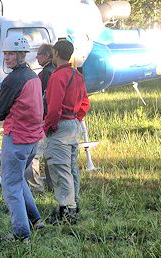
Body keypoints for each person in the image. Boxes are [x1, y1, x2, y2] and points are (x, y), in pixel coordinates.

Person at [0, 34, 45, 242]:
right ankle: (36, 220)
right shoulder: (33, 76)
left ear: (21, 55)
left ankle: (21, 233)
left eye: (10, 54)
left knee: (10, 186)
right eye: (5, 53)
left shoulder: (12, 80)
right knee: (18, 180)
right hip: (33, 140)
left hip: (17, 139)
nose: (6, 57)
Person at [44, 39, 90, 224]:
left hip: (60, 125)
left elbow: (54, 107)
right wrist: (76, 117)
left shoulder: (57, 76)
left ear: (55, 54)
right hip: (73, 124)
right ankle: (74, 205)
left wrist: (48, 125)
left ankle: (66, 211)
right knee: (72, 169)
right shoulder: (77, 75)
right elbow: (85, 103)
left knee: (60, 169)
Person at [25, 43, 55, 192]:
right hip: (56, 119)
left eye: (39, 54)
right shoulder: (55, 71)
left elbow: (41, 97)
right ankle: (53, 185)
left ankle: (35, 187)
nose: (36, 57)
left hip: (44, 118)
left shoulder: (45, 74)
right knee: (51, 155)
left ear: (47, 56)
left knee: (34, 154)